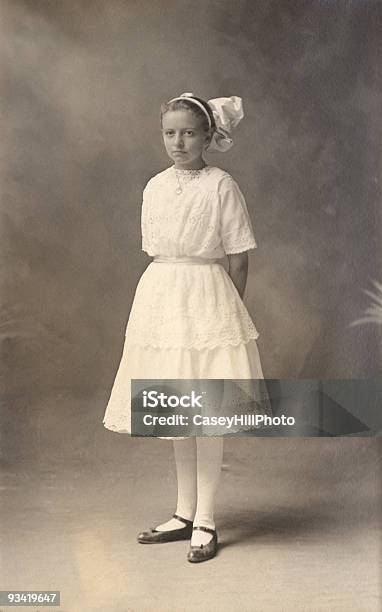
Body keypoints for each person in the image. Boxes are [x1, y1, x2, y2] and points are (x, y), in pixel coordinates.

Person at [103, 92, 272, 563]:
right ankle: (182, 512)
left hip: (208, 294)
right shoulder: (154, 186)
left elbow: (238, 256)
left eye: (190, 133)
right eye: (170, 133)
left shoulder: (221, 185)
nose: (179, 142)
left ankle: (206, 519)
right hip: (161, 293)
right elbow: (155, 247)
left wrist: (224, 311)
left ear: (208, 136)